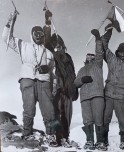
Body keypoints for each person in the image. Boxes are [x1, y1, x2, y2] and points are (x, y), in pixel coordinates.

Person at [2, 11, 59, 147]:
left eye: (41, 33)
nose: (38, 35)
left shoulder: (48, 52)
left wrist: (55, 85)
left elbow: (54, 72)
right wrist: (10, 21)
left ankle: (51, 136)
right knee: (29, 108)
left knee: (49, 109)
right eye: (36, 33)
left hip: (44, 81)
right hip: (27, 79)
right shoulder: (23, 45)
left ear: (43, 36)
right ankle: (27, 134)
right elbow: (6, 37)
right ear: (32, 35)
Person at [43, 10, 78, 147]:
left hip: (68, 91)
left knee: (67, 117)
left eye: (59, 45)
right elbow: (46, 41)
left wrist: (75, 90)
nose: (57, 47)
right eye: (55, 45)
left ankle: (65, 138)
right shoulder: (51, 54)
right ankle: (55, 138)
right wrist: (48, 23)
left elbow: (73, 75)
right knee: (55, 114)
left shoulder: (69, 58)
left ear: (63, 45)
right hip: (57, 89)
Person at [101, 25, 124, 150]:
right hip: (108, 94)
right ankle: (103, 141)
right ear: (118, 52)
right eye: (121, 52)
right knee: (105, 119)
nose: (123, 54)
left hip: (121, 97)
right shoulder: (112, 60)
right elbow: (103, 46)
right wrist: (109, 31)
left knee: (123, 119)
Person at [74, 29, 107, 151]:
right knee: (87, 120)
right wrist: (82, 80)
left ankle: (101, 143)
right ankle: (89, 142)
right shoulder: (81, 70)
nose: (90, 56)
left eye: (92, 54)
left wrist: (98, 39)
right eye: (88, 55)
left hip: (97, 94)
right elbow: (76, 83)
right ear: (85, 57)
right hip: (84, 97)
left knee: (99, 119)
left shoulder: (98, 64)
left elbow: (99, 52)